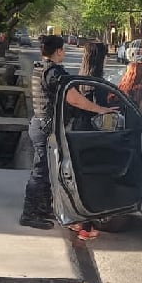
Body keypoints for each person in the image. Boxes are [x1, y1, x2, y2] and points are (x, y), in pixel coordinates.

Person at [19, 35, 119, 230]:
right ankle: (29, 213)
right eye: (63, 49)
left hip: (40, 125)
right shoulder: (54, 72)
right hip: (45, 128)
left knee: (47, 171)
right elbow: (74, 99)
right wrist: (102, 110)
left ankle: (41, 208)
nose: (64, 52)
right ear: (58, 51)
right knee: (41, 172)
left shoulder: (41, 67)